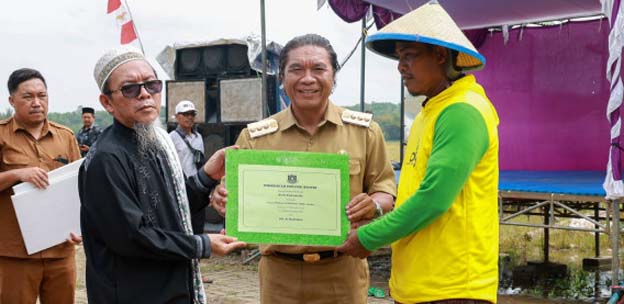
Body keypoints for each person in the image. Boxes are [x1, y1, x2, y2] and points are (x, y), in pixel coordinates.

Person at [211, 34, 396, 303]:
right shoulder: (255, 137)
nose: (307, 78)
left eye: (318, 68)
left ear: (334, 77)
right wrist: (223, 197)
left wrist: (374, 205)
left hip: (342, 272)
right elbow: (232, 196)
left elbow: (385, 191)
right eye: (296, 69)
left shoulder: (365, 132)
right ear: (282, 79)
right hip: (279, 275)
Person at [337, 2, 500, 304]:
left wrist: (368, 237)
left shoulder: (462, 111)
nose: (400, 66)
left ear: (440, 55)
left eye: (409, 56)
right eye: (399, 58)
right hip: (421, 284)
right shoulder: (432, 111)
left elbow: (433, 199)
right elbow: (413, 195)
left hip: (452, 288)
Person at [79, 46, 246, 304]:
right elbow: (133, 237)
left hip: (171, 289)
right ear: (107, 102)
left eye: (152, 85)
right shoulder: (107, 158)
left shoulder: (154, 141)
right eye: (130, 88)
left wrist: (207, 176)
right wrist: (201, 244)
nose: (144, 94)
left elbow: (173, 209)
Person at [0, 68, 82, 303]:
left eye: (42, 96)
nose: (37, 103)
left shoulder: (65, 136)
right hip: (15, 253)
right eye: (28, 97)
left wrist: (80, 228)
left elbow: (78, 188)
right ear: (12, 100)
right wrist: (17, 174)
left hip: (60, 250)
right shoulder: (2, 135)